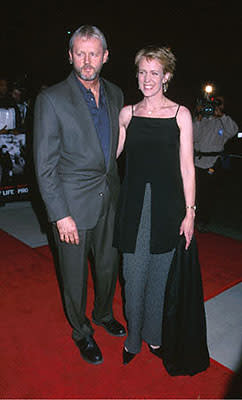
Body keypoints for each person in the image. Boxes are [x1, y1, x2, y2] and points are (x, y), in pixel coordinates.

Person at [33, 25, 126, 365]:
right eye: (80, 53)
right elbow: (44, 165)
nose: (87, 61)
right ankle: (81, 332)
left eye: (94, 53)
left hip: (109, 198)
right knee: (74, 276)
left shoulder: (116, 94)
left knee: (107, 266)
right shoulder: (51, 99)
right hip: (71, 205)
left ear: (105, 56)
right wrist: (60, 213)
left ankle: (103, 313)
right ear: (70, 55)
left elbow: (116, 145)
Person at [113, 45, 208, 372]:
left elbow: (187, 167)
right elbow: (107, 158)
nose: (147, 78)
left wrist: (190, 211)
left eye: (154, 72)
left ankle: (153, 336)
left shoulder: (181, 114)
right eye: (142, 72)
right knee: (133, 275)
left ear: (166, 76)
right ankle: (133, 339)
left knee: (159, 277)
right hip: (134, 207)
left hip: (168, 208)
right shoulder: (127, 114)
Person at [193, 95, 239, 232]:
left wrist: (221, 115)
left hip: (213, 162)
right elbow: (192, 136)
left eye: (218, 103)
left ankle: (203, 221)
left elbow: (234, 130)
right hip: (197, 161)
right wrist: (199, 118)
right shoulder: (202, 120)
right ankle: (191, 217)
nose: (213, 107)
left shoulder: (223, 122)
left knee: (207, 194)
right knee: (193, 192)